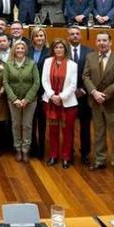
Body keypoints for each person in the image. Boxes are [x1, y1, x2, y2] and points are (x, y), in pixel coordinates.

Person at [82, 32, 114, 178]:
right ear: (96, 42)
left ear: (110, 42)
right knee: (99, 133)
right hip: (95, 102)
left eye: (105, 40)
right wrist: (94, 92)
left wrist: (104, 95)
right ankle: (100, 159)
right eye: (99, 40)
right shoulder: (90, 57)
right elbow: (85, 76)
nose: (102, 43)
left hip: (113, 103)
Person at [41, 39, 78, 168]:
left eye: (61, 47)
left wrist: (61, 97)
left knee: (68, 130)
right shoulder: (47, 62)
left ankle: (66, 157)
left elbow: (73, 85)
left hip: (68, 103)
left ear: (65, 49)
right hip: (50, 101)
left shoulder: (72, 64)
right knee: (53, 130)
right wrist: (52, 95)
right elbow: (44, 80)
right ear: (53, 49)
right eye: (56, 47)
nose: (59, 50)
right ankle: (53, 155)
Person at [3, 40, 40, 163]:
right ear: (14, 50)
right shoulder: (8, 64)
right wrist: (14, 99)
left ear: (25, 50)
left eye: (22, 48)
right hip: (14, 101)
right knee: (16, 125)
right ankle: (17, 148)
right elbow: (5, 83)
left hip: (30, 101)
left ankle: (25, 150)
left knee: (27, 126)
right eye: (17, 48)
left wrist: (26, 99)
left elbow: (36, 83)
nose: (19, 50)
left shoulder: (32, 64)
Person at [66, 26, 92, 164]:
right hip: (67, 95)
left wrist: (83, 90)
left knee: (85, 126)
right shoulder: (62, 51)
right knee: (68, 126)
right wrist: (68, 92)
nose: (75, 36)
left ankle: (85, 154)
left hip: (84, 95)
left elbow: (93, 73)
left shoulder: (90, 52)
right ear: (68, 37)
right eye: (72, 34)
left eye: (77, 34)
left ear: (81, 36)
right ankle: (68, 152)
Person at [28, 26, 50, 160]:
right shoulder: (27, 52)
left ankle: (41, 148)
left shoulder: (50, 52)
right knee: (30, 122)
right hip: (30, 91)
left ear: (45, 37)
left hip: (44, 92)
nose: (39, 38)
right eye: (37, 36)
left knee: (42, 122)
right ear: (33, 38)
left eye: (41, 36)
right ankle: (32, 147)